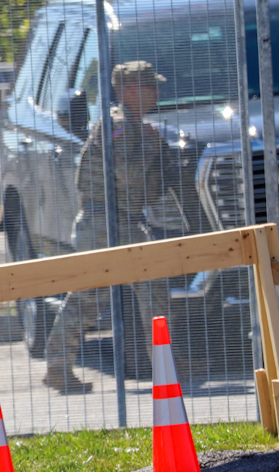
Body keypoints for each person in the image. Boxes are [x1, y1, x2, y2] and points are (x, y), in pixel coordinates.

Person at [44, 61, 192, 394]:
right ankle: (57, 366)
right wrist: (154, 146)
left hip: (122, 222)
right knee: (89, 298)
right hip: (104, 223)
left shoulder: (134, 126)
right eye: (150, 86)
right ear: (129, 91)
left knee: (150, 289)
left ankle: (166, 365)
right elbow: (127, 172)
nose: (156, 93)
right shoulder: (120, 125)